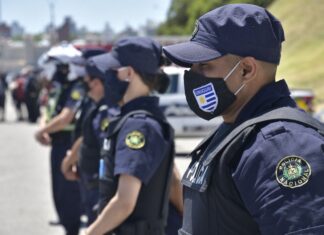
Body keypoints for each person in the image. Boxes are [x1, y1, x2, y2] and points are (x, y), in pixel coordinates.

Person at [163, 3, 324, 235]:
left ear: (246, 70)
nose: (193, 76)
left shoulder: (280, 145)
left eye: (204, 65)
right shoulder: (236, 133)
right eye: (193, 67)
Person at [85, 37, 178, 235]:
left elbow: (125, 202)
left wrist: (89, 233)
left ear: (129, 73)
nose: (107, 76)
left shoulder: (139, 126)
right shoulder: (140, 119)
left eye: (113, 70)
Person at [62, 49, 119, 225]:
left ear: (99, 83)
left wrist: (69, 161)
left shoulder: (108, 111)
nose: (86, 87)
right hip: (90, 180)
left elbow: (104, 151)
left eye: (89, 83)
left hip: (99, 185)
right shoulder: (96, 106)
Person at [35, 43, 85, 235]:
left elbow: (65, 118)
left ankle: (71, 228)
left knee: (68, 195)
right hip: (57, 144)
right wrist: (44, 128)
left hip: (69, 144)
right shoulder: (59, 88)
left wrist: (40, 133)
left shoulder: (76, 87)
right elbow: (47, 112)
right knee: (59, 194)